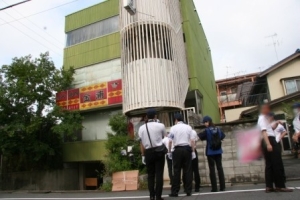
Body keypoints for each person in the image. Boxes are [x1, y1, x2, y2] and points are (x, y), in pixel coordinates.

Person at [258, 103, 292, 193]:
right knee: (277, 162)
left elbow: (270, 128)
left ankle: (269, 186)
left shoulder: (264, 119)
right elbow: (264, 132)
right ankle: (280, 186)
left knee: (269, 164)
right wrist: (268, 144)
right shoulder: (262, 118)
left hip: (267, 139)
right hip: (269, 140)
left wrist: (276, 123)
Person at [139, 109, 166, 200]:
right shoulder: (161, 126)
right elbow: (164, 137)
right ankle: (158, 196)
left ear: (146, 117)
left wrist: (143, 155)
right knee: (159, 174)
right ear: (155, 116)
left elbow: (142, 143)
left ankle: (151, 196)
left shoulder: (141, 128)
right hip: (158, 151)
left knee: (150, 175)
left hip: (148, 152)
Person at [168, 113, 195, 197]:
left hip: (177, 150)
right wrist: (193, 151)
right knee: (188, 170)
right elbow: (192, 141)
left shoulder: (173, 128)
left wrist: (169, 151)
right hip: (187, 149)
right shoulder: (188, 127)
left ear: (176, 120)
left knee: (176, 170)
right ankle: (188, 190)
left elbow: (169, 141)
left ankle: (175, 191)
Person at [199, 116, 225, 192]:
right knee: (220, 168)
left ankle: (214, 188)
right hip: (218, 151)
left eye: (205, 122)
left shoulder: (207, 131)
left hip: (210, 152)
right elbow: (223, 136)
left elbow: (200, 136)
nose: (204, 124)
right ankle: (222, 186)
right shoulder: (218, 129)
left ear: (208, 122)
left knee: (212, 169)